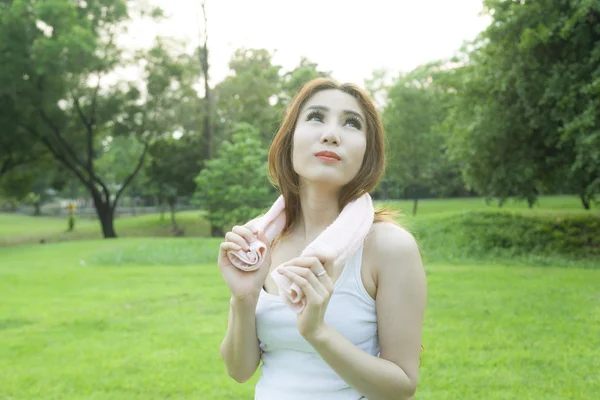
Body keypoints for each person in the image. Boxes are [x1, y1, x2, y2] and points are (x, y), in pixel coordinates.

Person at [217, 78, 427, 400]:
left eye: (351, 123)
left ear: (367, 153)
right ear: (289, 141)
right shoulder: (260, 241)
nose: (331, 134)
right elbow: (239, 370)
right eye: (316, 117)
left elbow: (401, 386)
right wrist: (243, 299)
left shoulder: (388, 247)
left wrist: (318, 333)